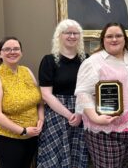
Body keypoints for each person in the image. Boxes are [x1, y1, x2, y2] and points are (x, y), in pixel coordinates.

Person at [75, 22, 128, 168]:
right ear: (103, 40)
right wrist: (96, 118)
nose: (114, 39)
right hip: (105, 130)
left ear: (125, 38)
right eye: (109, 36)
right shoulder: (93, 62)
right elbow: (83, 93)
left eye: (118, 35)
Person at [0, 36, 43, 168]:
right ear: (0, 53)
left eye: (16, 48)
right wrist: (22, 131)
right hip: (7, 138)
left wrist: (41, 120)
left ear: (21, 52)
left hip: (31, 135)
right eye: (7, 49)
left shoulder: (26, 71)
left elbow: (39, 100)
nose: (12, 52)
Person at [36, 19, 89, 168]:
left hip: (83, 110)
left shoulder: (86, 59)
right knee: (55, 156)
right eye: (68, 33)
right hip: (57, 113)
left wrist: (78, 113)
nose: (72, 36)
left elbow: (90, 89)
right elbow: (46, 94)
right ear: (59, 36)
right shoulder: (49, 61)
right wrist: (69, 114)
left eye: (75, 33)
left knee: (78, 153)